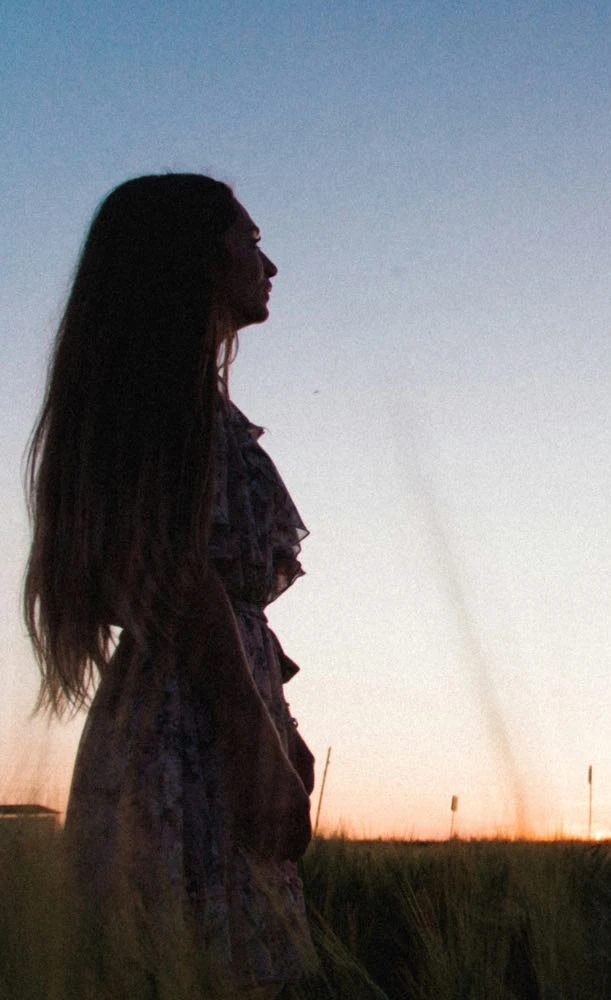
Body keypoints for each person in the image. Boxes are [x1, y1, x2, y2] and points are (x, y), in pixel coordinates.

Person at [23, 174, 317, 990]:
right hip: (191, 726)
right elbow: (178, 575)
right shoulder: (162, 401)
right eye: (249, 241)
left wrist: (279, 723)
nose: (269, 265)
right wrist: (250, 732)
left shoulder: (179, 400)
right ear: (195, 259)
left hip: (206, 705)